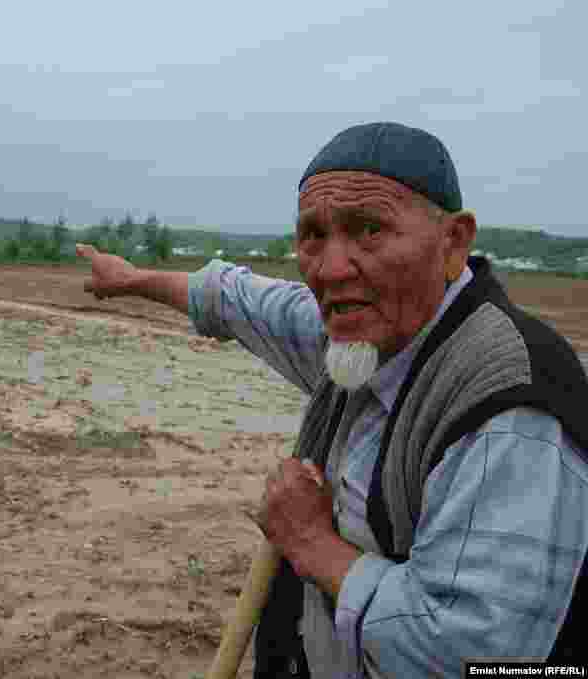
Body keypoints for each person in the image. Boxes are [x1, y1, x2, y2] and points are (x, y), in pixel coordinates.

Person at [76, 121, 588, 677]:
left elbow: (472, 660)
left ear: (453, 242)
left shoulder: (508, 410)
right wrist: (131, 279)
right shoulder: (359, 329)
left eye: (369, 229)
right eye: (313, 235)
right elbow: (234, 299)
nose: (331, 268)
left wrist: (310, 541)